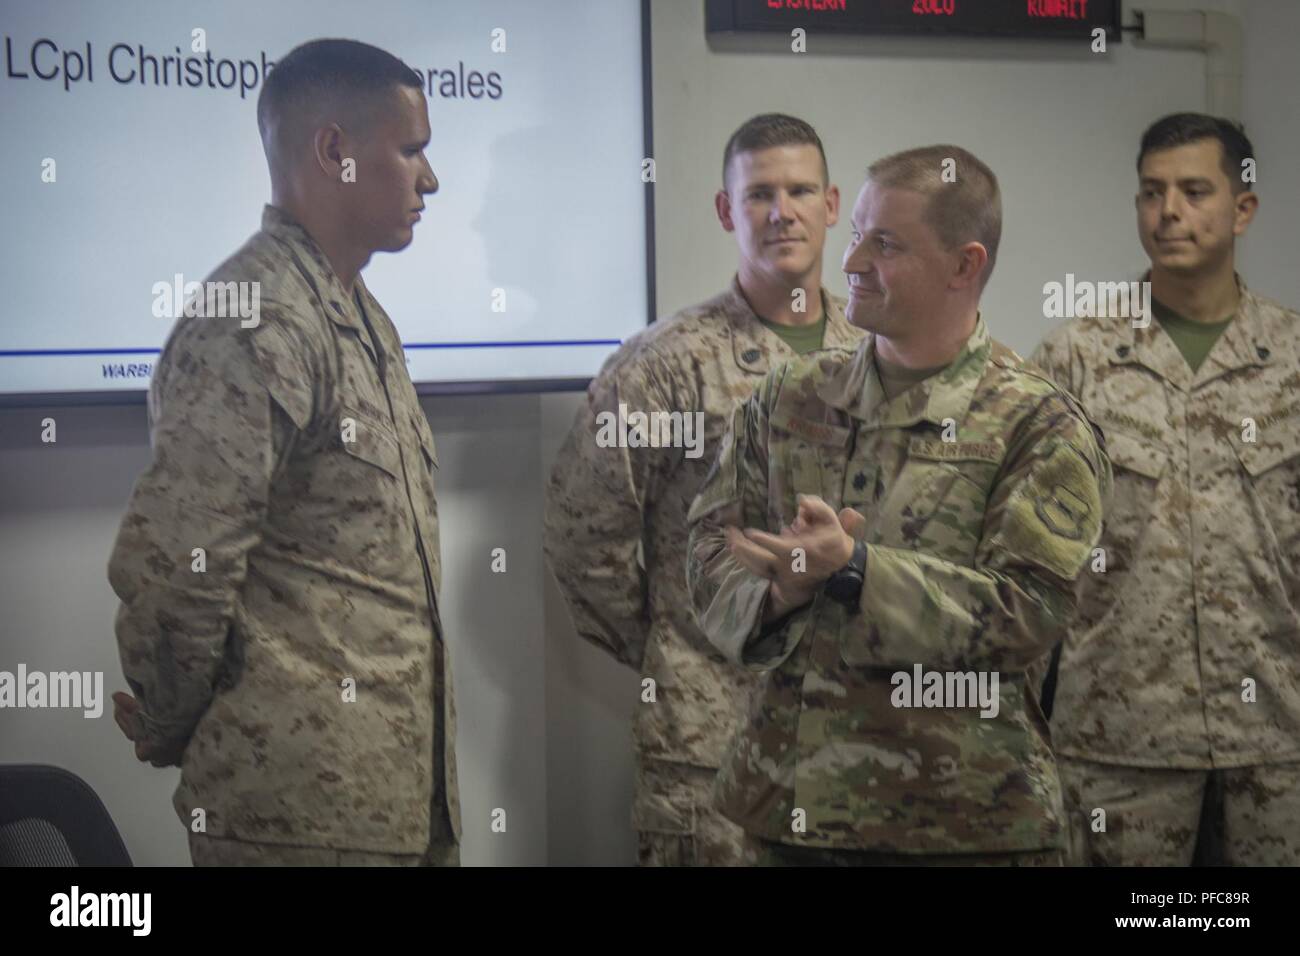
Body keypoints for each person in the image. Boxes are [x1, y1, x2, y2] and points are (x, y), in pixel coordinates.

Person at [687, 145, 1110, 865]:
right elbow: (705, 553)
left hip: (959, 828)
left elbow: (1030, 613)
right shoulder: (790, 398)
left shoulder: (1036, 423)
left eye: (884, 244)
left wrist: (856, 572)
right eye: (854, 234)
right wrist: (778, 592)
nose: (850, 262)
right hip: (790, 811)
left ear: (963, 265)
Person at [107, 38, 458, 866]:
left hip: (392, 804)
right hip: (294, 818)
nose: (430, 180)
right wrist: (167, 716)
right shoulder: (254, 318)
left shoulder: (361, 316)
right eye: (411, 151)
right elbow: (180, 563)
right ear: (334, 151)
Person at [545, 114, 862, 864]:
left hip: (858, 742)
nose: (780, 211)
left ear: (832, 204)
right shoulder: (664, 366)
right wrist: (685, 641)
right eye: (758, 195)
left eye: (799, 190)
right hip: (714, 745)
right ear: (727, 211)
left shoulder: (878, 359)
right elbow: (583, 534)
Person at [1031, 112, 1300, 866]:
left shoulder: (1292, 358)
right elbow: (1024, 551)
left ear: (1242, 207)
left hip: (1276, 742)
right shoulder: (1075, 356)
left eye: (1192, 191)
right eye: (1152, 193)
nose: (1169, 212)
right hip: (1121, 740)